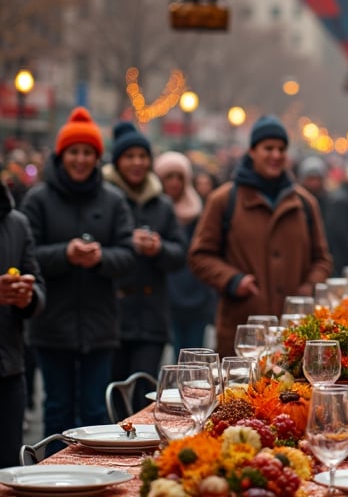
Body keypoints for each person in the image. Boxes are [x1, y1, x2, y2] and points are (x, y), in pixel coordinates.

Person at [21, 107, 135, 442]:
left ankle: (94, 482)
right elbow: (26, 256)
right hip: (51, 324)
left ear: (97, 157)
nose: (81, 160)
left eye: (88, 153)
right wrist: (64, 255)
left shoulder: (114, 201)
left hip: (100, 325)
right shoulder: (38, 199)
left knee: (94, 412)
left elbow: (128, 255)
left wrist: (101, 258)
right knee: (56, 408)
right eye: (74, 152)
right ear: (61, 156)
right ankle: (52, 482)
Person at [189, 115, 332, 356]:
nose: (276, 155)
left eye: (281, 149)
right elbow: (200, 256)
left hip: (294, 335)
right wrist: (234, 281)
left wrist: (309, 286)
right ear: (252, 151)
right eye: (268, 148)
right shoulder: (224, 200)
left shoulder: (305, 203)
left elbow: (323, 259)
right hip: (243, 335)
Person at [104, 122, 186, 394]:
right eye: (129, 157)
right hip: (110, 317)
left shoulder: (161, 204)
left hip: (151, 316)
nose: (137, 163)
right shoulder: (105, 199)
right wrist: (128, 245)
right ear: (117, 161)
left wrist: (158, 249)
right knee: (113, 395)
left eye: (142, 156)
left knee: (144, 393)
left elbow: (179, 253)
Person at [155, 151, 217, 355]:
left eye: (179, 177)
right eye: (168, 177)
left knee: (194, 355)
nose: (174, 183)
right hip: (166, 296)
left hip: (196, 295)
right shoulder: (154, 211)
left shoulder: (200, 211)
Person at [0, 181, 45, 467]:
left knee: (7, 472)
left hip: (8, 368)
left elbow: (36, 281)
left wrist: (27, 297)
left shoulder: (15, 222)